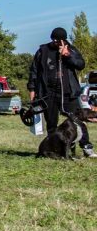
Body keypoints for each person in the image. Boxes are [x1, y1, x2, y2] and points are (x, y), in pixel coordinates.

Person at [28, 27, 92, 157]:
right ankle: (54, 150)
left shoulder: (71, 49)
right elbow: (34, 71)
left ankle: (87, 148)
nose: (56, 42)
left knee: (78, 121)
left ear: (64, 40)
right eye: (54, 40)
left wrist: (67, 55)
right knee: (51, 123)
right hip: (48, 92)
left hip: (68, 92)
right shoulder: (43, 51)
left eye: (59, 40)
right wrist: (32, 89)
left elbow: (81, 65)